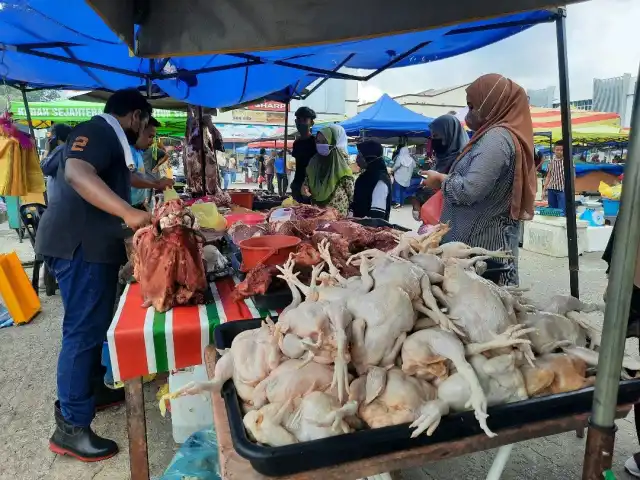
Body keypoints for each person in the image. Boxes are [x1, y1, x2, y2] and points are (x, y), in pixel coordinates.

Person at [35, 89, 173, 462]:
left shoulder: (109, 139)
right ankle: (71, 426)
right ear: (136, 116)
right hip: (79, 247)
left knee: (94, 326)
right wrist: (129, 214)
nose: (146, 131)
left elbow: (123, 178)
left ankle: (92, 388)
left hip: (86, 245)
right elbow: (78, 172)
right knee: (81, 331)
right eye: (146, 124)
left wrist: (156, 185)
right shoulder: (96, 131)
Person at [421, 74, 536, 286]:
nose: (469, 114)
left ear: (492, 105)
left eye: (473, 107)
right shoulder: (494, 135)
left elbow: (471, 189)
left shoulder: (497, 139)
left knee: (482, 308)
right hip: (477, 245)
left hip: (482, 247)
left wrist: (440, 181)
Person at [411, 114, 468, 219]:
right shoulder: (440, 160)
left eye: (436, 136)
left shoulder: (465, 160)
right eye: (432, 137)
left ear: (450, 135)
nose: (433, 141)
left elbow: (466, 192)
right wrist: (417, 201)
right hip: (434, 225)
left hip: (454, 224)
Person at [302, 124, 354, 216]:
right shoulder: (314, 162)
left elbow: (352, 195)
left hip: (337, 220)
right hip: (315, 215)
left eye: (324, 141)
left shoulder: (342, 166)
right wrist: (305, 188)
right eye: (318, 141)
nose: (320, 145)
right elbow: (307, 181)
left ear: (334, 142)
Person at [130, 117, 172, 210]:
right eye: (150, 136)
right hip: (128, 207)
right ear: (138, 131)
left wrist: (158, 180)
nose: (152, 141)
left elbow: (139, 175)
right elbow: (130, 178)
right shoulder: (128, 152)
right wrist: (157, 184)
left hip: (138, 205)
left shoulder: (138, 152)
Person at [352, 140, 391, 220]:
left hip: (371, 229)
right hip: (358, 227)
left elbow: (377, 216)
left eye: (359, 155)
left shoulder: (380, 180)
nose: (357, 159)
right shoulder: (365, 178)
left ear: (369, 157)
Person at [40, 123, 72, 204]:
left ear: (57, 136)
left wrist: (47, 151)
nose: (49, 138)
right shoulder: (68, 148)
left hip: (60, 200)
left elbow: (44, 169)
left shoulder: (61, 149)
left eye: (51, 134)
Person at [290, 106, 317, 201]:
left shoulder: (316, 142)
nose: (301, 123)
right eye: (298, 119)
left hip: (312, 187)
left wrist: (307, 184)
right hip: (297, 185)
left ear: (311, 123)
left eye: (305, 120)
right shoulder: (296, 143)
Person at [543, 140, 567, 214]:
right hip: (551, 189)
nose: (559, 151)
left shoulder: (568, 161)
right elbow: (548, 176)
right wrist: (544, 190)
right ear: (554, 150)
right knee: (552, 211)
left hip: (562, 190)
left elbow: (573, 176)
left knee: (562, 211)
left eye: (561, 150)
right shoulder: (551, 162)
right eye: (557, 150)